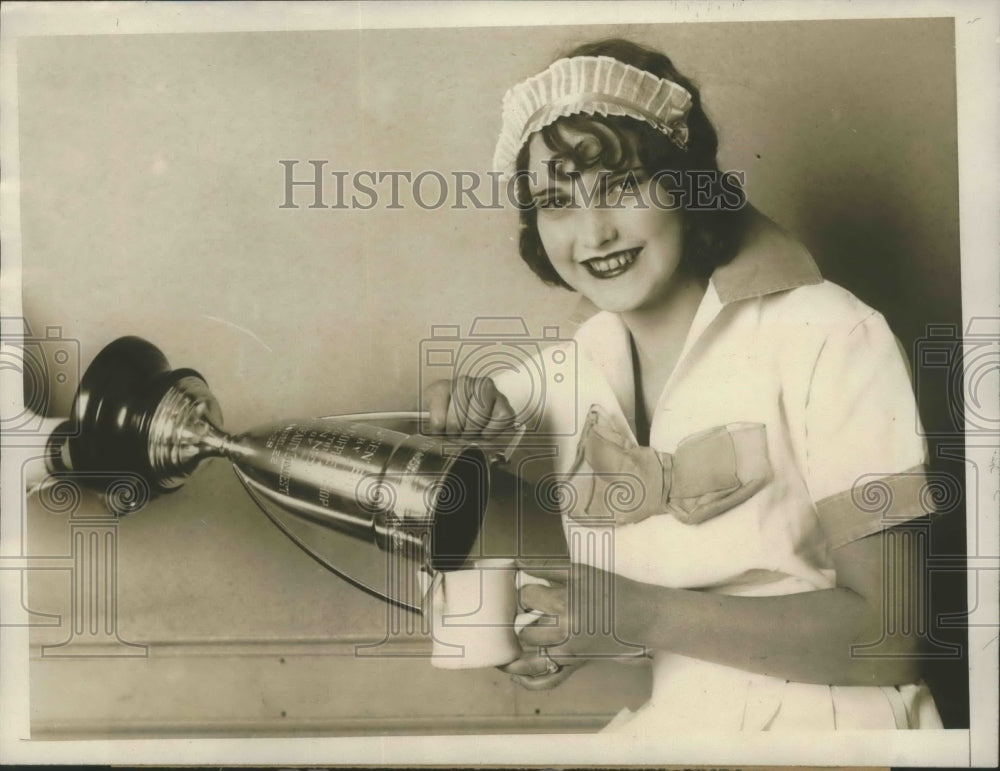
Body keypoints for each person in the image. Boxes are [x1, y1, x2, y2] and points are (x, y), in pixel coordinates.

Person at [424, 38, 942, 732]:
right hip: (677, 721)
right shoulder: (566, 369)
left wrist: (634, 612)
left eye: (622, 186)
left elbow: (894, 633)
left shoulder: (832, 332)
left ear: (689, 185)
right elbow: (428, 462)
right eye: (557, 202)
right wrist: (555, 628)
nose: (594, 232)